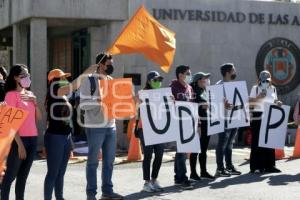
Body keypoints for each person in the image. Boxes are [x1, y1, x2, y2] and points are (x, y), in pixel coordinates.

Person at [80, 53, 123, 200]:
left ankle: (107, 191)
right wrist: (99, 99)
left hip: (111, 126)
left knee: (109, 161)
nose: (111, 66)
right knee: (93, 162)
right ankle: (91, 194)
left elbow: (117, 104)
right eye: (109, 64)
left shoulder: (111, 80)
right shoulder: (89, 80)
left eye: (112, 63)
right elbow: (83, 105)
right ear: (100, 65)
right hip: (94, 126)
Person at [1, 64, 42, 200]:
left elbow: (39, 119)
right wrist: (20, 145)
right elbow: (10, 124)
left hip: (33, 138)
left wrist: (35, 103)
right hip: (19, 140)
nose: (27, 78)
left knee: (23, 178)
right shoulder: (11, 95)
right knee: (10, 177)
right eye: (23, 75)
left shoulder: (30, 94)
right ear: (15, 78)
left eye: (28, 74)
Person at [136, 71, 165, 193]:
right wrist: (139, 103)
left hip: (159, 127)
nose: (158, 82)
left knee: (159, 154)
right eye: (155, 80)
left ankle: (154, 180)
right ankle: (146, 183)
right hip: (145, 128)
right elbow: (136, 108)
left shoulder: (163, 93)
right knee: (148, 155)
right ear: (148, 81)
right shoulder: (142, 94)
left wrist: (171, 100)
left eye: (159, 80)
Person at [249, 70, 282, 173]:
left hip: (269, 114)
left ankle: (270, 165)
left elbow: (274, 100)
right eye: (263, 80)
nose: (265, 82)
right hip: (258, 115)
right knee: (257, 141)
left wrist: (278, 103)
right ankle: (256, 166)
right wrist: (259, 97)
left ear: (270, 80)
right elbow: (250, 103)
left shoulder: (273, 89)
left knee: (269, 141)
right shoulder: (255, 88)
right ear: (259, 80)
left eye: (267, 80)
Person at [170, 65, 195, 189]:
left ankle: (178, 177)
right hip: (177, 123)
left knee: (182, 151)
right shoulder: (172, 87)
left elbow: (192, 105)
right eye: (188, 73)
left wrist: (197, 123)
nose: (190, 75)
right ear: (180, 75)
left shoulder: (189, 88)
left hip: (188, 123)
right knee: (182, 152)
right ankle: (182, 178)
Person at [215, 63, 242, 177]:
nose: (235, 72)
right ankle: (220, 169)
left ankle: (229, 166)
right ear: (227, 73)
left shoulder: (234, 85)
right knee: (222, 144)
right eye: (233, 70)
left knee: (230, 143)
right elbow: (215, 103)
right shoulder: (219, 85)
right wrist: (223, 105)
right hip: (224, 119)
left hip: (234, 118)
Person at [189, 72, 215, 181]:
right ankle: (193, 173)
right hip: (197, 123)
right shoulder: (192, 91)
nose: (206, 80)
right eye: (204, 78)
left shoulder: (205, 91)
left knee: (204, 149)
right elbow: (191, 106)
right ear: (198, 80)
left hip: (206, 122)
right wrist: (201, 105)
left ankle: (203, 171)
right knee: (195, 149)